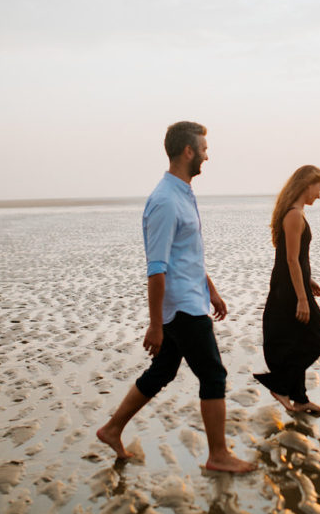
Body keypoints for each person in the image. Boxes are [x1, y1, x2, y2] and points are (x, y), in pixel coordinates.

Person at [97, 121, 255, 473]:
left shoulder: (182, 193)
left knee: (163, 370)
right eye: (203, 148)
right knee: (214, 375)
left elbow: (189, 254)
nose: (207, 154)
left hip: (192, 298)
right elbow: (157, 268)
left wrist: (211, 290)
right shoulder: (165, 201)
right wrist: (155, 325)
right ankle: (218, 456)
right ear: (188, 151)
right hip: (181, 307)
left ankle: (111, 429)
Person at [254, 165, 320, 414]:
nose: (319, 194)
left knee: (298, 340)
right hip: (289, 291)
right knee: (318, 339)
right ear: (307, 185)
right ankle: (280, 385)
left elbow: (294, 258)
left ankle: (299, 398)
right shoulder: (294, 215)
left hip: (290, 285)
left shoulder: (295, 213)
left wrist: (308, 281)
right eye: (319, 188)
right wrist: (302, 299)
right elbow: (290, 260)